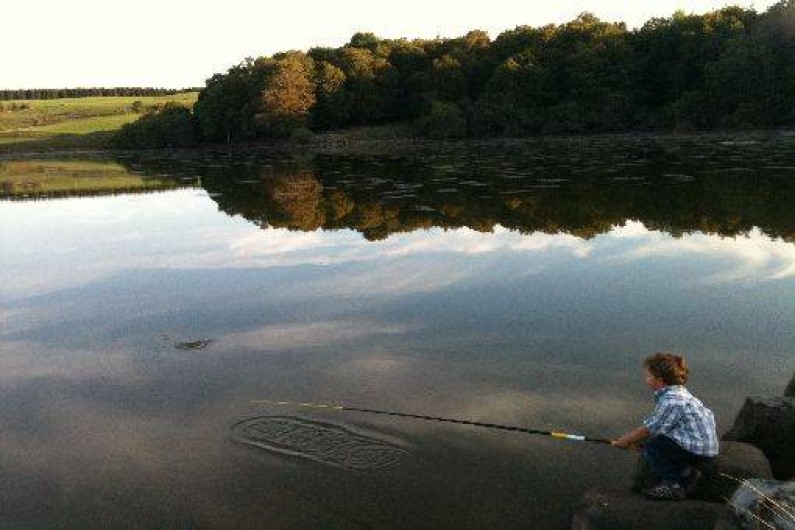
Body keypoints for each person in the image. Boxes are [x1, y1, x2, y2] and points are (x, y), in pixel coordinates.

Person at [612, 352, 719, 500]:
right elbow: (663, 425)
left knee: (653, 447)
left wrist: (625, 440)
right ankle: (687, 473)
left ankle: (673, 486)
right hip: (706, 448)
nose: (645, 379)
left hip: (698, 451)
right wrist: (637, 441)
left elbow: (649, 429)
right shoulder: (680, 393)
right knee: (656, 443)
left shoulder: (671, 401)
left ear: (660, 380)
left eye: (648, 376)